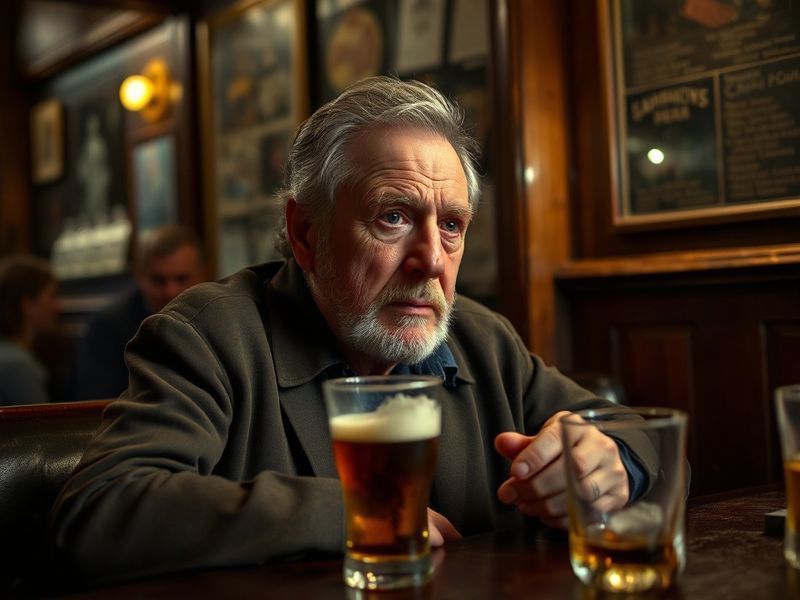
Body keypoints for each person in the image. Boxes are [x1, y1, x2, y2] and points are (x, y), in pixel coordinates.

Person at [51, 77, 657, 583]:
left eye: (451, 225)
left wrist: (611, 464)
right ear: (305, 233)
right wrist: (359, 511)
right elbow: (101, 511)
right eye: (392, 217)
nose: (432, 260)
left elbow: (633, 430)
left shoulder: (479, 336)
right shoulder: (210, 334)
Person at [71, 225, 206, 400]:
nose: (170, 291)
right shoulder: (107, 329)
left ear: (203, 274)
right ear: (140, 276)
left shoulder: (215, 320)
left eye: (181, 279)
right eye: (158, 280)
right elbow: (97, 406)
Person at [0, 255, 60, 405]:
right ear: (28, 306)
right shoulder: (16, 365)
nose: (58, 306)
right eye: (51, 296)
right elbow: (41, 426)